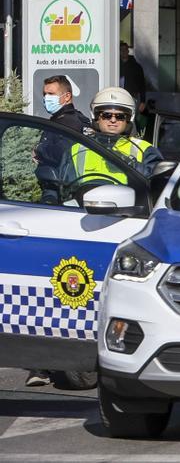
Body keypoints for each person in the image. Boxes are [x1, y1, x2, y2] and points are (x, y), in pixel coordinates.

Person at [26, 76, 93, 388]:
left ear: (66, 95)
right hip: (57, 205)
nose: (46, 98)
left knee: (57, 288)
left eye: (51, 94)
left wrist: (40, 157)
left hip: (61, 207)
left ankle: (48, 364)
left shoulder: (69, 124)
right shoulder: (64, 121)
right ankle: (45, 364)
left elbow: (58, 163)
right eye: (44, 94)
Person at [59, 87, 163, 190]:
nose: (113, 120)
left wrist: (131, 164)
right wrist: (50, 198)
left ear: (129, 119)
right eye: (107, 115)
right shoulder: (77, 150)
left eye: (120, 116)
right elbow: (61, 188)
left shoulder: (145, 149)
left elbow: (158, 184)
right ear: (96, 117)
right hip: (82, 205)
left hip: (129, 206)